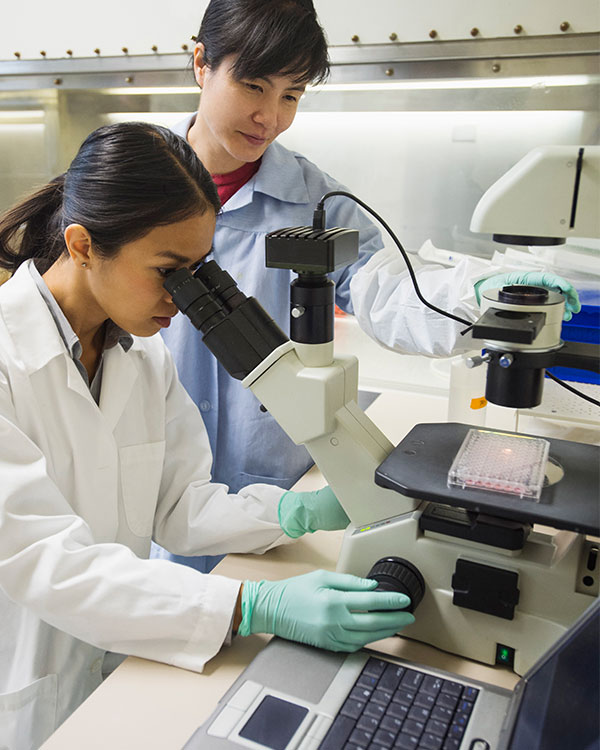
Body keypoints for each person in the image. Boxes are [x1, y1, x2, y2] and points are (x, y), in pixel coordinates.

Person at [0, 121, 416, 750]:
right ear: (82, 245)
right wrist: (250, 606)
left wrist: (296, 512)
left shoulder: (140, 354)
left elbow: (177, 505)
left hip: (116, 670)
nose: (185, 297)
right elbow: (47, 563)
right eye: (169, 270)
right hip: (24, 687)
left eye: (198, 269)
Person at [158, 0, 580, 572]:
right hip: (153, 482)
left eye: (291, 95)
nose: (270, 117)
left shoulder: (314, 198)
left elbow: (390, 288)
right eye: (254, 86)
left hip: (280, 493)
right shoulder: (136, 182)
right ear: (202, 63)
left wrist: (479, 294)